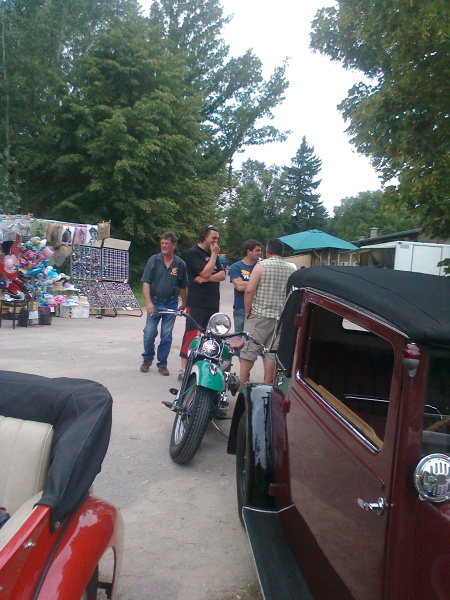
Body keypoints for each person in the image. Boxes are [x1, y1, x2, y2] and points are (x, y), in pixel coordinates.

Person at [239, 238, 296, 385]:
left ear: (268, 251)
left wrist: (247, 311)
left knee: (249, 352)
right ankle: (267, 385)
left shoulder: (261, 266)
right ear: (282, 252)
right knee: (271, 354)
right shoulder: (291, 269)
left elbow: (249, 290)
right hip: (280, 319)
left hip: (260, 315)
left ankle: (241, 383)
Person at [179, 225, 226, 381]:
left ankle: (203, 366)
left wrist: (208, 278)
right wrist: (214, 256)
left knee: (211, 336)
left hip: (212, 301)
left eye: (217, 238)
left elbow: (222, 275)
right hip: (197, 302)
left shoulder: (212, 253)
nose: (216, 241)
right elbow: (204, 272)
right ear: (205, 236)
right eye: (213, 237)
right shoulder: (194, 253)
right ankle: (183, 368)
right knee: (191, 334)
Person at [140, 232, 187, 376]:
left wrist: (185, 303)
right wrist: (148, 302)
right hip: (155, 301)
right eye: (162, 243)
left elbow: (183, 286)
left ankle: (162, 364)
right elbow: (146, 282)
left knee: (166, 335)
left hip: (171, 303)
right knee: (149, 333)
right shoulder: (154, 260)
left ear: (174, 245)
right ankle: (147, 359)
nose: (164, 246)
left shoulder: (179, 263)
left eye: (167, 243)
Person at [229, 240, 263, 333]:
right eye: (257, 250)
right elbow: (239, 287)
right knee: (239, 337)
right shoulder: (236, 267)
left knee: (254, 338)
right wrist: (257, 282)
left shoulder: (260, 266)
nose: (260, 253)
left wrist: (244, 282)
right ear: (249, 251)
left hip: (257, 308)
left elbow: (264, 284)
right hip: (240, 307)